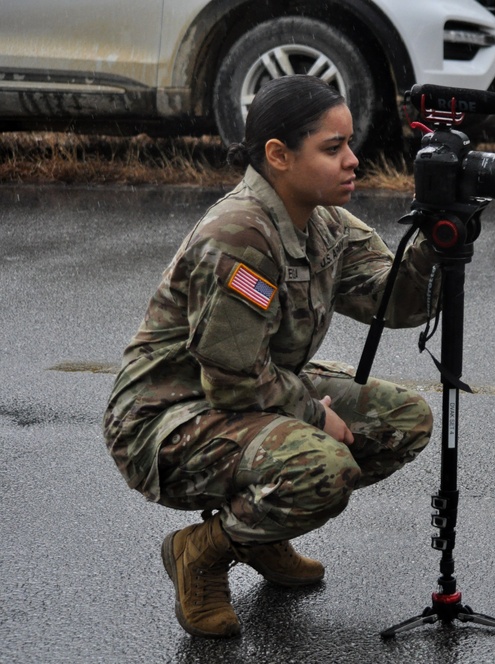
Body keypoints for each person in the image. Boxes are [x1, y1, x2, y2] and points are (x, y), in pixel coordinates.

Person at [102, 75, 440, 639]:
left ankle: (261, 531)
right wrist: (313, 413)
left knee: (403, 421)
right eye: (333, 149)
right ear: (278, 156)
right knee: (320, 470)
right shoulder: (240, 235)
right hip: (166, 420)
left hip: (247, 391)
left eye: (349, 144)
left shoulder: (322, 215)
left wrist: (438, 242)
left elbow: (396, 302)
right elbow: (233, 379)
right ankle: (202, 552)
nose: (354, 161)